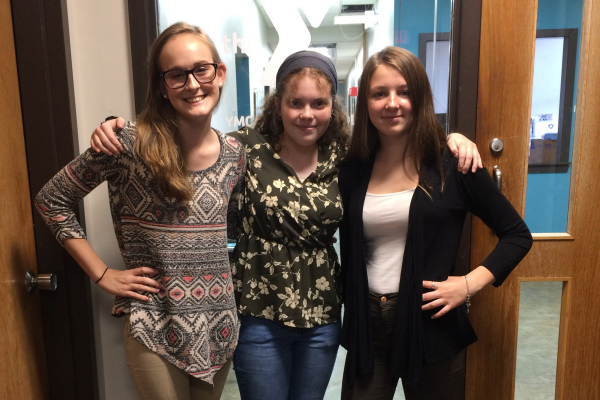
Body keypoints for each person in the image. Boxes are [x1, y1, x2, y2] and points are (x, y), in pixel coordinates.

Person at [91, 51, 482, 400]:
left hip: (322, 314)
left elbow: (404, 144)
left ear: (334, 107)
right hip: (257, 312)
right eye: (296, 103)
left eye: (318, 103)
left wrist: (455, 139)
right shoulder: (242, 148)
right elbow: (182, 140)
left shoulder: (349, 157)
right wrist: (121, 128)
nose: (307, 114)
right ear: (279, 104)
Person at [34, 22, 246, 400]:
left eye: (202, 69)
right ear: (162, 85)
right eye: (177, 75)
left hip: (219, 327)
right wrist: (102, 274)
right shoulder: (129, 142)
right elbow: (52, 200)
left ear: (219, 72)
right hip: (155, 325)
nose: (193, 84)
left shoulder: (235, 154)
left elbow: (226, 232)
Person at [338, 46, 533, 400]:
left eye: (404, 92)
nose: (391, 103)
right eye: (379, 93)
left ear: (421, 97)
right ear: (365, 103)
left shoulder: (453, 166)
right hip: (367, 326)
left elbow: (517, 235)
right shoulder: (354, 169)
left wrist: (468, 284)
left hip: (431, 324)